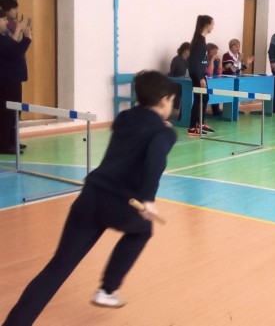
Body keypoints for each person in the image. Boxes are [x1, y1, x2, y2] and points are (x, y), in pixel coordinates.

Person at [2, 70, 178, 325]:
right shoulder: (164, 133)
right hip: (121, 204)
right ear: (164, 100)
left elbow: (140, 130)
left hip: (90, 197)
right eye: (171, 100)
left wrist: (160, 129)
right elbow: (155, 160)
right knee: (142, 231)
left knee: (58, 267)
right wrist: (149, 199)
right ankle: (107, 289)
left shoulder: (124, 118)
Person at [0, 8, 31, 155]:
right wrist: (24, 36)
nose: (7, 22)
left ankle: (12, 141)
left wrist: (24, 35)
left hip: (13, 79)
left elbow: (16, 48)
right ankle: (4, 144)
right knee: (6, 113)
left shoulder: (4, 36)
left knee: (14, 112)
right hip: (5, 81)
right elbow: (14, 51)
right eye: (4, 19)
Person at [187, 15, 215, 136]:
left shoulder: (202, 40)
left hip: (200, 74)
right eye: (212, 24)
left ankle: (201, 124)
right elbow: (194, 62)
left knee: (205, 98)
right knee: (199, 99)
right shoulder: (199, 41)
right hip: (197, 75)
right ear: (206, 25)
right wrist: (200, 78)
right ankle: (192, 127)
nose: (213, 27)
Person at [168, 42, 190, 113]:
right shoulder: (176, 59)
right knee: (180, 89)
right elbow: (172, 74)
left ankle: (186, 111)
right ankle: (176, 110)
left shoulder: (189, 60)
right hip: (177, 82)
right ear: (186, 51)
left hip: (187, 82)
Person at [205, 43, 223, 117]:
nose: (216, 52)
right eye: (215, 50)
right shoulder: (204, 59)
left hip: (214, 81)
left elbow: (219, 72)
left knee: (217, 90)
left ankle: (216, 110)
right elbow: (209, 73)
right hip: (206, 81)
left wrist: (220, 61)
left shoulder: (216, 60)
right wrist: (212, 60)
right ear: (209, 51)